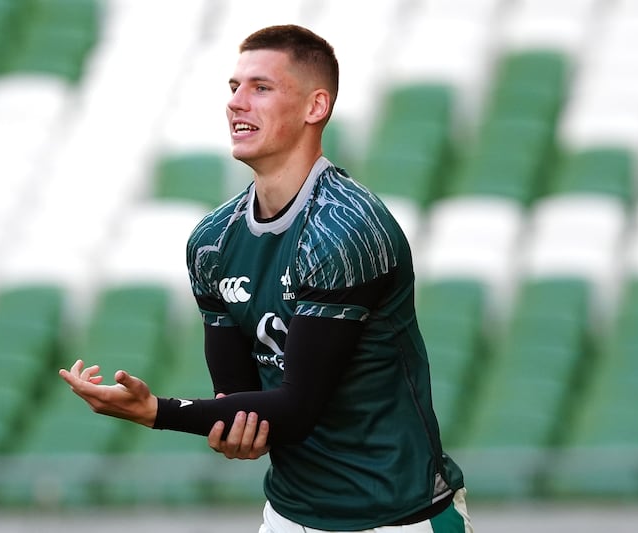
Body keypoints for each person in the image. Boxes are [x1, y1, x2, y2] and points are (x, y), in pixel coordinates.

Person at [60, 24, 472, 533]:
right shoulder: (212, 242)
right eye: (233, 88)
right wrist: (236, 430)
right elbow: (240, 400)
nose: (237, 103)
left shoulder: (347, 229)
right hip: (287, 515)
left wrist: (155, 411)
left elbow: (296, 407)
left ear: (315, 107)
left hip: (397, 518)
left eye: (260, 87)